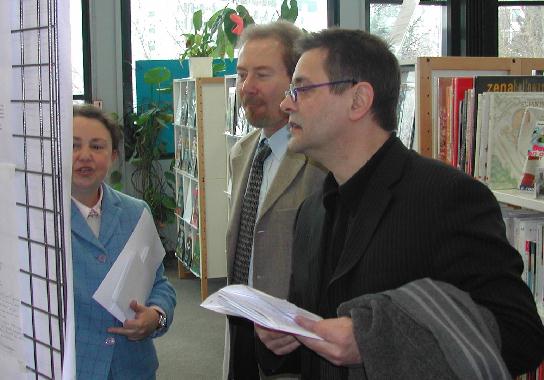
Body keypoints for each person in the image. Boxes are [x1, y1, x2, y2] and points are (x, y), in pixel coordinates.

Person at [255, 28, 544, 379]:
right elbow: (322, 346)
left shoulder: (447, 198)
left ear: (358, 100)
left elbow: (520, 335)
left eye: (301, 89)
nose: (287, 104)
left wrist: (373, 341)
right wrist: (286, 338)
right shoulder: (311, 213)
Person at [224, 21, 327, 380]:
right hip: (242, 325)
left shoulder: (321, 161)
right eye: (241, 74)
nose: (246, 87)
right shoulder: (243, 152)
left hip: (292, 342)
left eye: (262, 75)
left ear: (296, 81)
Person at [71, 104, 176, 379]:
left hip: (132, 366)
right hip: (74, 368)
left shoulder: (136, 212)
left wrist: (156, 316)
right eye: (73, 146)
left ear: (114, 156)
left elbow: (160, 284)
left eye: (97, 147)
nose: (84, 156)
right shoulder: (39, 222)